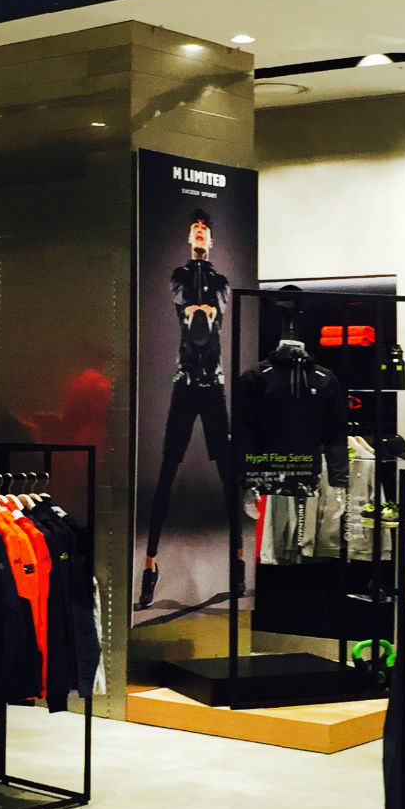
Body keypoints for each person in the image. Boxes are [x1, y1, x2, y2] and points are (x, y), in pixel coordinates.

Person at [140, 211, 237, 607]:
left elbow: (212, 315)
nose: (199, 230)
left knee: (228, 474)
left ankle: (238, 559)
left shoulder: (222, 282)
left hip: (213, 386)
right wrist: (203, 310)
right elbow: (192, 314)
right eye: (195, 227)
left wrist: (204, 311)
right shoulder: (179, 275)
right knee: (166, 473)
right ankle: (149, 565)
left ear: (211, 240)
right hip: (185, 386)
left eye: (205, 228)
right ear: (189, 237)